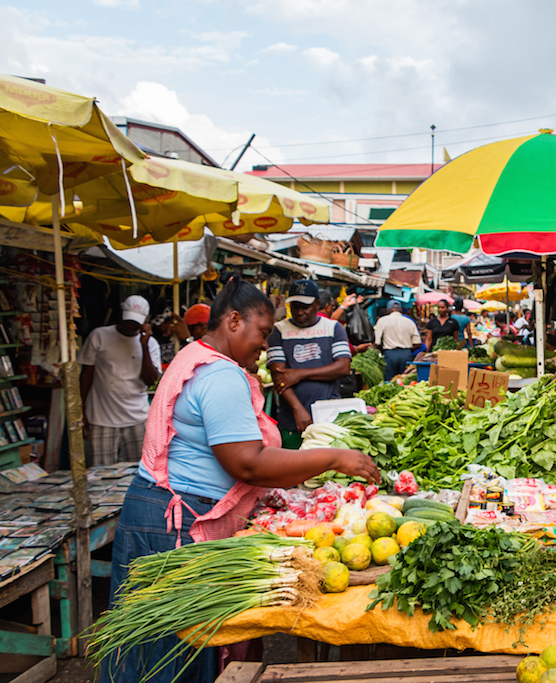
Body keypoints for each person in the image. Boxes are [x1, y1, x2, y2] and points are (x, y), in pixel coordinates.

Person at [103, 278, 379, 683]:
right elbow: (247, 463)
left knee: (155, 647)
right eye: (262, 332)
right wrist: (333, 458)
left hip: (159, 511)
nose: (265, 345)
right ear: (233, 321)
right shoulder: (219, 375)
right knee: (171, 653)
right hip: (176, 523)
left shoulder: (195, 356)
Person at [267, 280, 352, 449]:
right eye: (295, 307)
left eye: (305, 307)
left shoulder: (333, 328)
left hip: (329, 416)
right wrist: (298, 409)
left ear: (317, 304)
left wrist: (299, 374)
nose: (299, 312)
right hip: (292, 420)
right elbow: (279, 377)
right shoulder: (278, 330)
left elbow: (343, 367)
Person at [79, 295, 162, 466]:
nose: (131, 325)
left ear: (145, 321)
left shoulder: (151, 344)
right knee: (101, 472)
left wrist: (144, 345)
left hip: (137, 418)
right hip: (102, 419)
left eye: (136, 322)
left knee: (140, 470)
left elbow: (150, 380)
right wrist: (81, 410)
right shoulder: (99, 336)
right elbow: (86, 374)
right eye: (128, 320)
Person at [374, 300, 421, 380]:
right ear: (401, 310)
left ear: (388, 310)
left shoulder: (382, 320)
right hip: (406, 354)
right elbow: (418, 343)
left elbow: (377, 343)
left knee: (390, 382)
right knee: (406, 380)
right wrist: (407, 350)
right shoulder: (409, 321)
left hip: (390, 354)